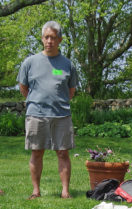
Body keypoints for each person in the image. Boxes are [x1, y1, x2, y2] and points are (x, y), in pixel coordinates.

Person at [17, 20, 78, 199]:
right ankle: (36, 191)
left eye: (53, 37)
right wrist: (38, 101)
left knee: (63, 152)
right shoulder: (29, 62)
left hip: (62, 115)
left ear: (59, 40)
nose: (49, 41)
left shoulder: (67, 64)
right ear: (42, 39)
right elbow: (23, 88)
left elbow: (71, 91)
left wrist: (57, 101)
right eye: (46, 37)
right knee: (37, 152)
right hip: (36, 114)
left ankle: (65, 191)